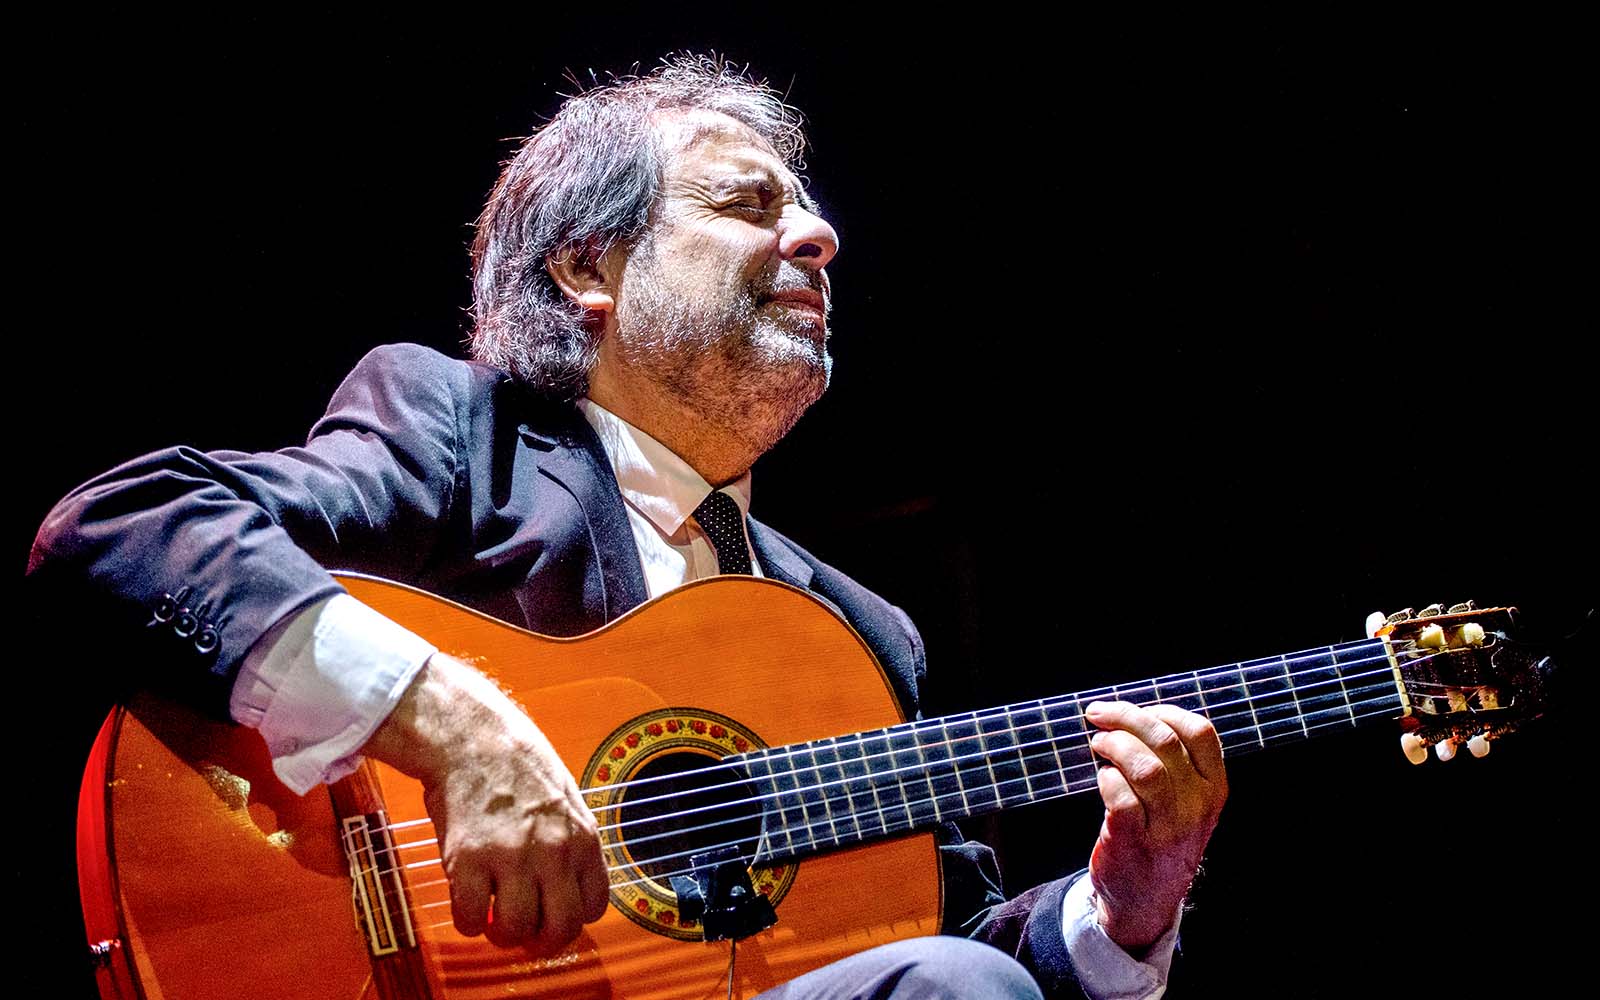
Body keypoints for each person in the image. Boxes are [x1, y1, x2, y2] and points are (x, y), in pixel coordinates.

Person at [30, 55, 1225, 999]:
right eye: (748, 204)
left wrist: (1122, 911)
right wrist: (451, 724)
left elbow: (936, 947)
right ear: (586, 269)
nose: (819, 237)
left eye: (808, 214)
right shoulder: (461, 434)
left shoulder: (861, 633)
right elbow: (124, 524)